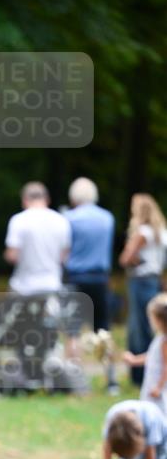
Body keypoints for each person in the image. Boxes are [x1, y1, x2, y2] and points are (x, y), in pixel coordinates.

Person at [64, 177, 118, 392]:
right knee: (103, 329)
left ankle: (76, 382)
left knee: (73, 330)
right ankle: (111, 379)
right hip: (101, 278)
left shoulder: (69, 218)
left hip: (76, 278)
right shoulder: (107, 218)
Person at [119, 193, 167, 387]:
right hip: (154, 280)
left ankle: (138, 374)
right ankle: (158, 367)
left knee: (138, 327)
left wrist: (133, 257)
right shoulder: (162, 232)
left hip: (139, 281)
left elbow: (125, 258)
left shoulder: (142, 233)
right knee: (156, 325)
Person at [4, 181, 70, 295]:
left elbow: (12, 256)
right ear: (47, 199)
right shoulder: (61, 220)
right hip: (52, 285)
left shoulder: (18, 220)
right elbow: (64, 257)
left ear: (24, 200)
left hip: (23, 287)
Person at [101, 399, 167, 459]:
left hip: (161, 447)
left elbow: (151, 449)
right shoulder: (112, 417)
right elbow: (107, 443)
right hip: (131, 442)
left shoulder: (150, 418)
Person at [123, 292, 167, 415]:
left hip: (157, 387)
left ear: (159, 320)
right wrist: (134, 360)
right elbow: (152, 357)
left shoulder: (165, 342)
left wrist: (159, 387)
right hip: (151, 383)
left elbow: (166, 366)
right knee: (147, 411)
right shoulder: (160, 338)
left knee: (158, 414)